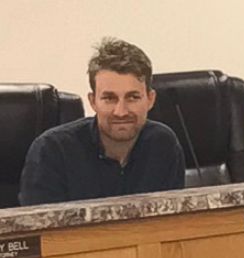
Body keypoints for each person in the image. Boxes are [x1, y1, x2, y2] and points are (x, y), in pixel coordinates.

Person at [19, 38, 185, 206]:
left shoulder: (163, 144)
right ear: (93, 101)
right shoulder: (52, 150)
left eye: (133, 97)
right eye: (109, 98)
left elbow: (171, 225)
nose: (121, 111)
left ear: (150, 100)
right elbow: (39, 229)